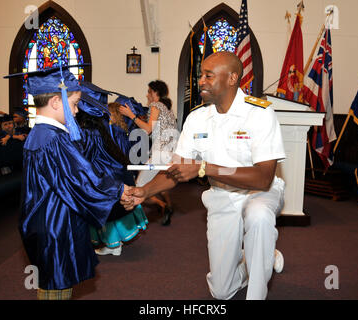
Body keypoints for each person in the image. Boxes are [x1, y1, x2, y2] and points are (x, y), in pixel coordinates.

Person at [122, 52, 286, 300]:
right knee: (221, 291)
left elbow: (263, 178)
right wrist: (144, 192)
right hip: (221, 196)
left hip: (259, 193)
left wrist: (205, 168)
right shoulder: (197, 118)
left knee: (259, 216)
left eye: (209, 75)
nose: (201, 81)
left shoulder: (260, 114)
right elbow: (176, 170)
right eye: (201, 75)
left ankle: (257, 288)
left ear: (232, 78)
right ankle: (262, 257)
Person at [4, 64, 131, 300]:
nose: (75, 112)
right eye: (74, 104)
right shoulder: (53, 139)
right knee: (56, 289)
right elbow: (80, 179)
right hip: (55, 225)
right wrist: (120, 189)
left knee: (54, 285)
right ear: (55, 102)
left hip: (46, 221)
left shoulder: (38, 134)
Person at [77, 82, 148, 256]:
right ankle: (113, 244)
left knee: (106, 212)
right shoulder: (103, 127)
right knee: (113, 212)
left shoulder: (88, 131)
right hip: (117, 172)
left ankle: (112, 245)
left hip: (105, 176)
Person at [119, 80, 177, 225]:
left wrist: (131, 115)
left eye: (149, 91)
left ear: (155, 93)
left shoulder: (155, 105)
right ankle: (168, 206)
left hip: (160, 153)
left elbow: (147, 129)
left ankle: (158, 208)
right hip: (171, 153)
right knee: (160, 182)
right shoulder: (168, 109)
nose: (147, 94)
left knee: (138, 187)